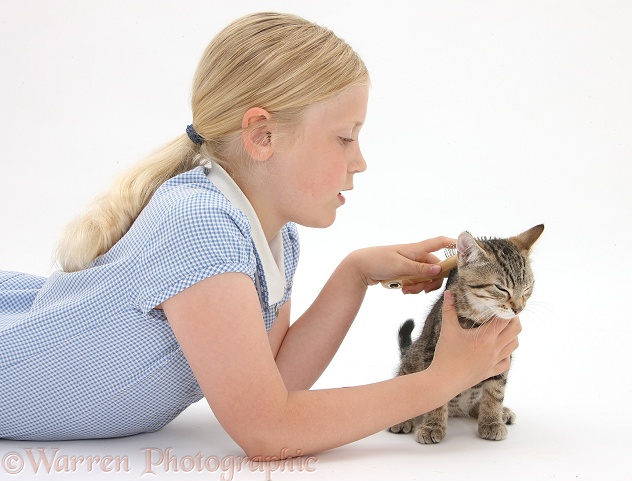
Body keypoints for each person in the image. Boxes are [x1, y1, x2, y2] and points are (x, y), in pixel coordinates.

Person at [0, 12, 520, 458]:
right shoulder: (198, 226)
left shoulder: (274, 239)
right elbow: (269, 429)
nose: (359, 162)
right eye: (344, 138)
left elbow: (277, 384)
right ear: (262, 135)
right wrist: (439, 381)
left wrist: (355, 273)